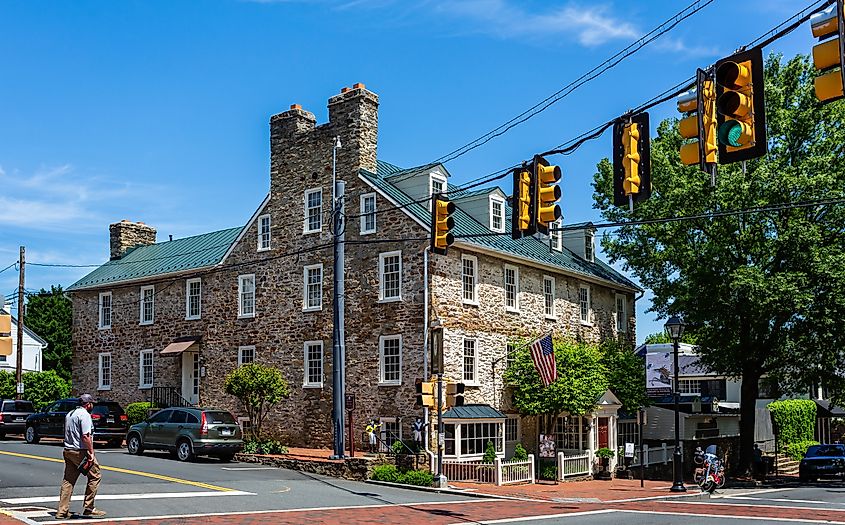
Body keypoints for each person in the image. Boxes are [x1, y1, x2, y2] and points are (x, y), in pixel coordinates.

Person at [56, 394, 105, 519]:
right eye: (92, 403)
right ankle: (89, 507)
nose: (92, 406)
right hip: (80, 451)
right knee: (95, 475)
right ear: (88, 404)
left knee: (68, 480)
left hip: (68, 449)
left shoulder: (70, 413)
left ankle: (62, 511)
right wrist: (91, 452)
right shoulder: (85, 415)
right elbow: (85, 436)